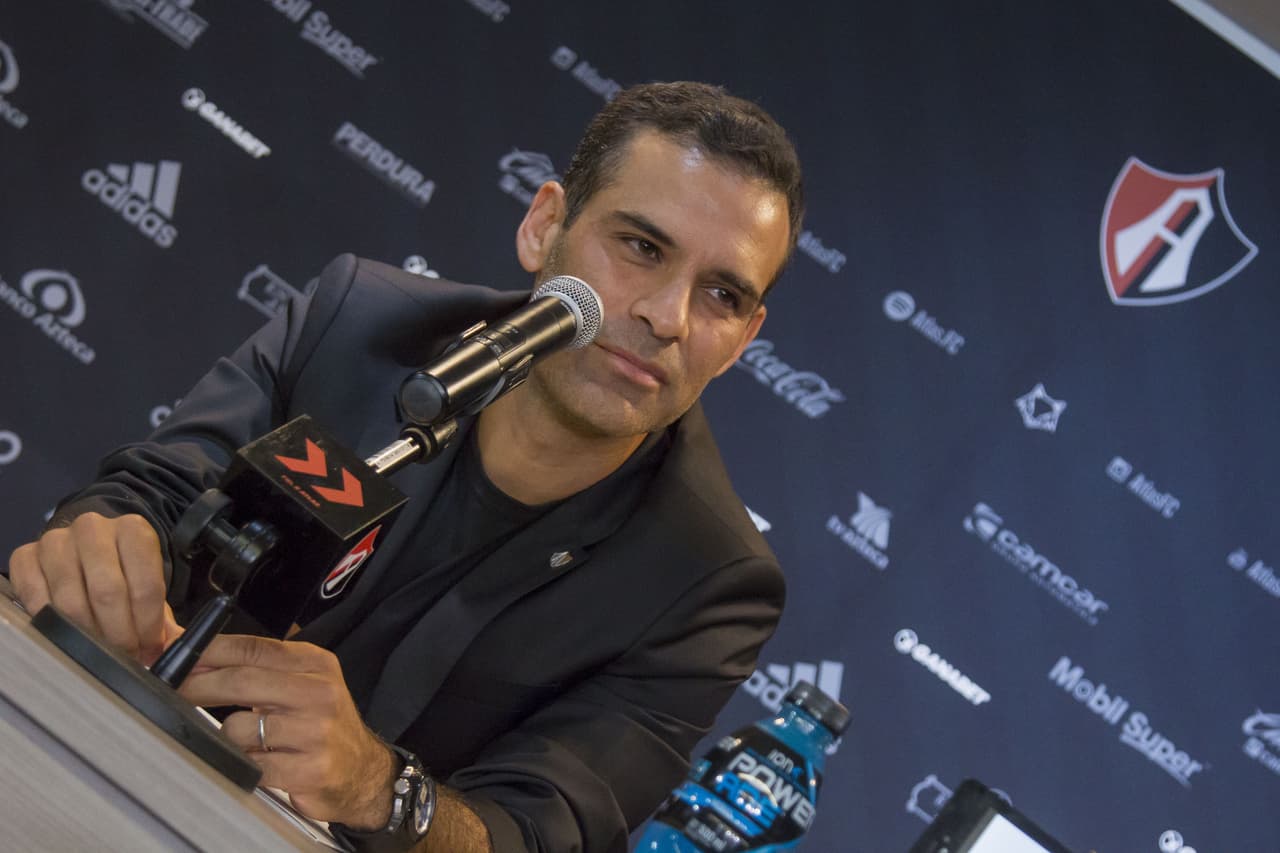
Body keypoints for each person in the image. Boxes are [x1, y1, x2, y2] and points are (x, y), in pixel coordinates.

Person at [7, 81, 803, 852]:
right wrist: (105, 539)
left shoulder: (708, 582)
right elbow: (156, 487)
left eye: (722, 296)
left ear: (744, 340)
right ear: (544, 226)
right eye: (642, 247)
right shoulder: (357, 323)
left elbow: (540, 831)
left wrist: (378, 787)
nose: (666, 316)